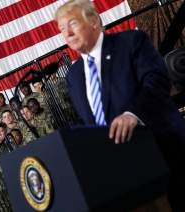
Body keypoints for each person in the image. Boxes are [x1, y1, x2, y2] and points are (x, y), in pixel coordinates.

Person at [56, 0, 185, 210]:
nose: (67, 33)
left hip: (164, 155)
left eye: (73, 23)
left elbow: (157, 81)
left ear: (94, 21)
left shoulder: (130, 42)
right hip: (121, 174)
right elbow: (91, 120)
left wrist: (132, 114)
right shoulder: (74, 75)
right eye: (62, 28)